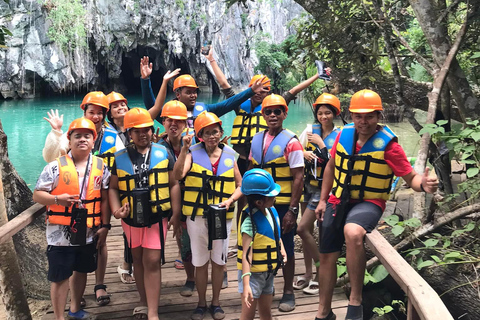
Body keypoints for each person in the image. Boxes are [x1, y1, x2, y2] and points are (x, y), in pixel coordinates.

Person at [314, 89, 439, 320]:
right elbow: (331, 167)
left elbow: (411, 179)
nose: (364, 121)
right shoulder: (343, 135)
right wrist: (322, 200)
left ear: (378, 116)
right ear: (351, 116)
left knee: (352, 232)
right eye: (359, 116)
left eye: (369, 116)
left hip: (369, 201)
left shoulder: (389, 146)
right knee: (327, 255)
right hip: (338, 198)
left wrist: (425, 184)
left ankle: (355, 301)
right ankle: (324, 311)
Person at [204, 46, 330, 175]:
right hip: (242, 160)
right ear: (251, 89)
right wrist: (212, 60)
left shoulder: (272, 108)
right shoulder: (240, 105)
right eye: (256, 89)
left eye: (264, 90)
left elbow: (294, 91)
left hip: (263, 161)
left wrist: (316, 75)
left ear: (268, 92)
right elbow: (225, 85)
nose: (259, 93)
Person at [33, 118, 111, 320]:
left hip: (88, 230)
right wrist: (57, 199)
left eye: (87, 136)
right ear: (69, 140)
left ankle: (75, 309)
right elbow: (38, 195)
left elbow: (104, 200)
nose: (82, 140)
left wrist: (105, 226)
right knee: (60, 276)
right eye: (77, 136)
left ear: (93, 141)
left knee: (81, 270)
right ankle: (60, 317)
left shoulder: (102, 167)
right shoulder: (54, 167)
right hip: (60, 233)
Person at [109, 108, 181, 320]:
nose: (143, 134)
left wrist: (175, 214)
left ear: (152, 130)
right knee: (138, 259)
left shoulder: (163, 153)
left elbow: (173, 183)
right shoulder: (120, 157)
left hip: (156, 218)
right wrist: (116, 210)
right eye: (137, 131)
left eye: (147, 130)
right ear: (129, 133)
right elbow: (113, 187)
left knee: (152, 259)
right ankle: (143, 300)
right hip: (131, 218)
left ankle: (152, 311)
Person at [173, 111, 243, 320]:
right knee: (200, 261)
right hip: (198, 216)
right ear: (200, 135)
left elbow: (240, 185)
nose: (212, 136)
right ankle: (201, 303)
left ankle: (216, 303)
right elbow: (177, 176)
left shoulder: (230, 155)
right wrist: (184, 149)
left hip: (222, 215)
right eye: (207, 133)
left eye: (215, 132)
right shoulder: (192, 153)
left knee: (219, 261)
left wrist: (230, 201)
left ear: (221, 133)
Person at [249, 94, 305, 312]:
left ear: (284, 114)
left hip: (281, 204)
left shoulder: (291, 143)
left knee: (287, 246)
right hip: (259, 203)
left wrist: (292, 210)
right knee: (261, 243)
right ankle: (262, 287)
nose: (273, 115)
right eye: (268, 111)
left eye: (277, 111)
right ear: (262, 114)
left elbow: (298, 177)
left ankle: (288, 291)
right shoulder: (256, 139)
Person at [139, 56, 269, 131]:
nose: (193, 95)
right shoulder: (170, 114)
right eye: (188, 92)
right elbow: (152, 106)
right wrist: (145, 80)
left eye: (195, 92)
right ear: (178, 94)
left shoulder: (205, 110)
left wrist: (250, 91)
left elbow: (230, 103)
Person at [294, 93, 341, 295]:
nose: (323, 117)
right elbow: (296, 147)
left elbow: (337, 161)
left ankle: (323, 272)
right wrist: (303, 153)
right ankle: (307, 274)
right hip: (308, 186)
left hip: (325, 190)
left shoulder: (340, 135)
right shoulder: (309, 131)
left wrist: (322, 144)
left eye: (327, 113)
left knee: (305, 229)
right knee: (307, 234)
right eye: (320, 113)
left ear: (335, 114)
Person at [157, 100, 196, 297]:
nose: (173, 124)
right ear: (163, 122)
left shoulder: (195, 144)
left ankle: (219, 271)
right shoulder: (158, 146)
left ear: (185, 124)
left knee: (205, 238)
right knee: (183, 239)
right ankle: (190, 278)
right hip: (171, 198)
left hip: (194, 197)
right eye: (169, 120)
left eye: (178, 121)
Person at [237, 169, 287, 320]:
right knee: (248, 315)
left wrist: (282, 250)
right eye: (271, 195)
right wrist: (246, 285)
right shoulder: (249, 222)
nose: (275, 197)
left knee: (266, 313)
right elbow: (247, 255)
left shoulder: (271, 210)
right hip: (252, 275)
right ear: (259, 202)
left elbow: (275, 233)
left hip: (268, 272)